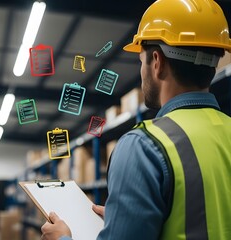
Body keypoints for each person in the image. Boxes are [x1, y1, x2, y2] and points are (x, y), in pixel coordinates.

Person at [41, 0, 231, 239]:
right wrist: (124, 218)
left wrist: (62, 238)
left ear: (157, 62)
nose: (142, 72)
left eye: (141, 61)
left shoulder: (144, 146)